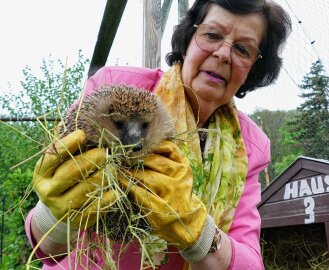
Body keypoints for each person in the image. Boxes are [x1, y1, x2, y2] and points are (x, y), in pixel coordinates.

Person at [25, 0, 291, 269]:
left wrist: (198, 232)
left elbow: (250, 263)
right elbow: (45, 249)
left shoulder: (251, 146)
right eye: (212, 35)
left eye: (242, 49)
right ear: (188, 40)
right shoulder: (113, 85)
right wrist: (55, 217)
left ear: (253, 70)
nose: (223, 53)